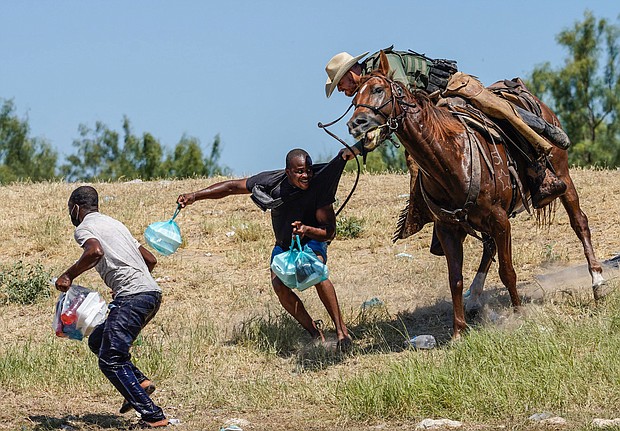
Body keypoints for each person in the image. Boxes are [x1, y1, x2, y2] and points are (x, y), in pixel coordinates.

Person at [324, 47, 570, 209]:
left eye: (341, 84)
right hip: (431, 110)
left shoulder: (384, 66)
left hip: (451, 89)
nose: (343, 91)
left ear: (350, 73)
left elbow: (401, 105)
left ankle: (540, 157)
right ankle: (435, 210)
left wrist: (362, 144)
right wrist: (359, 147)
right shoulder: (368, 91)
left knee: (498, 112)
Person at [177, 149, 352, 350]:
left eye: (309, 171)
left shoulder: (318, 188)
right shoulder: (272, 182)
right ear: (288, 172)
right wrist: (195, 196)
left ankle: (341, 333)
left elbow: (330, 232)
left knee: (315, 271)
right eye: (300, 171)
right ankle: (315, 333)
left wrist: (307, 230)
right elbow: (232, 187)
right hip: (284, 245)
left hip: (311, 240)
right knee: (279, 286)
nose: (306, 176)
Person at [55, 186, 170, 428]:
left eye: (69, 210)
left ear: (76, 208)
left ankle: (153, 416)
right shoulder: (116, 224)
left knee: (110, 359)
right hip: (151, 295)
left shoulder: (85, 227)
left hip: (133, 297)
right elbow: (150, 259)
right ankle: (139, 383)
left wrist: (68, 275)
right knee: (98, 340)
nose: (70, 215)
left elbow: (94, 251)